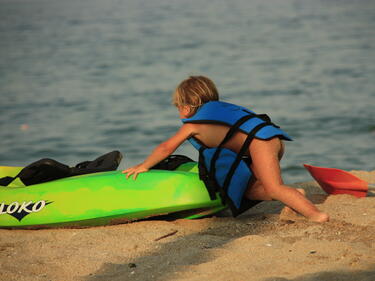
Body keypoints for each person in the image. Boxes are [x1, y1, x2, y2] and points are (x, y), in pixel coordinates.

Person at [123, 76, 329, 222]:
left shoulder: (192, 125)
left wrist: (144, 166)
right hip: (270, 139)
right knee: (251, 189)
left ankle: (316, 215)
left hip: (260, 144)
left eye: (177, 106)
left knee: (274, 187)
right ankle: (295, 195)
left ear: (185, 107)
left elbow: (166, 147)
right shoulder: (220, 111)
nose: (178, 111)